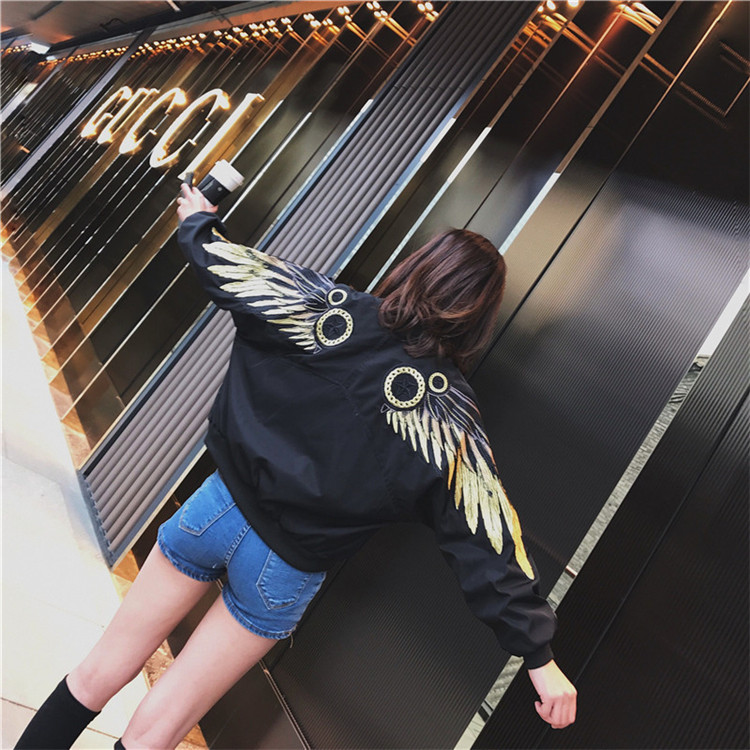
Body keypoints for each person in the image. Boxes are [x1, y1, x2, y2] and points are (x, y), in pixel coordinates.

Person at [16, 185, 577, 750]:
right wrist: (539, 656)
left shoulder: (326, 307)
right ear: (478, 318)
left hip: (217, 510)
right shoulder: (451, 417)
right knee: (153, 735)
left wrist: (198, 222)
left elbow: (230, 269)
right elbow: (487, 538)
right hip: (285, 569)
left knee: (96, 673)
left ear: (419, 267)